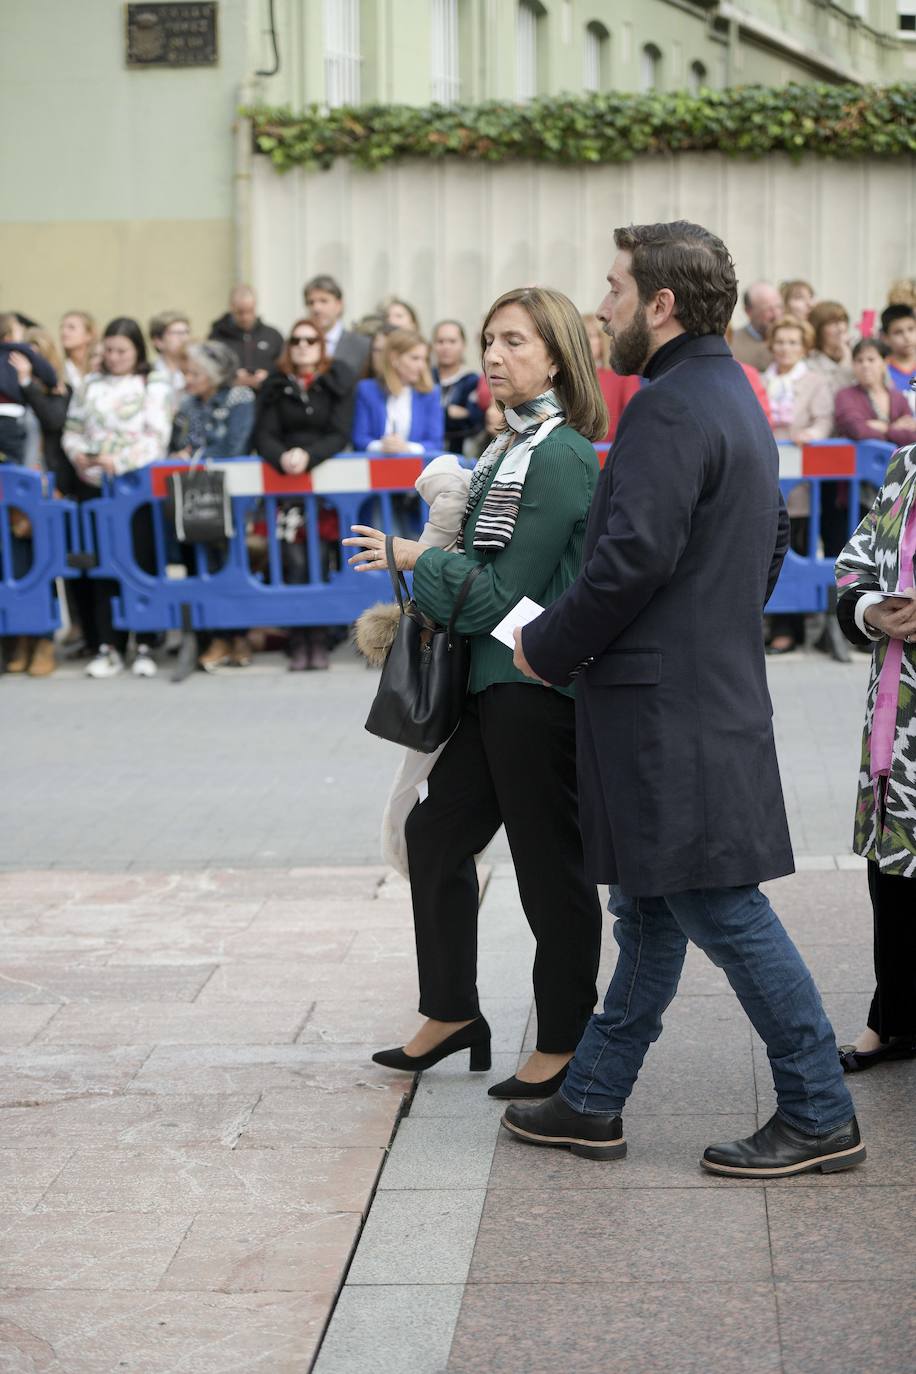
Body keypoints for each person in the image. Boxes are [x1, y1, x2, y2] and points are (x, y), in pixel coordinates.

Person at [503, 221, 862, 1178]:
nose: (604, 305)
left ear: (661, 304)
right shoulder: (727, 391)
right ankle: (592, 1099)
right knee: (654, 910)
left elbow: (630, 563)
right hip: (693, 697)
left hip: (670, 713)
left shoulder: (668, 406)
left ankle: (821, 1110)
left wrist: (544, 645)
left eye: (616, 288)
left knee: (718, 905)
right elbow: (766, 548)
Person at [343, 286, 606, 1098]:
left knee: (547, 872)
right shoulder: (503, 448)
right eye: (490, 340)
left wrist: (415, 555)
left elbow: (501, 598)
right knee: (435, 837)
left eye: (515, 342)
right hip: (492, 688)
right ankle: (453, 1012)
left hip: (533, 688)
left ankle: (563, 1042)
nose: (494, 356)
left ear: (557, 356)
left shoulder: (558, 455)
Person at [834, 437, 916, 1071]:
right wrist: (872, 609)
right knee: (892, 867)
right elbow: (852, 568)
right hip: (896, 710)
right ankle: (892, 1018)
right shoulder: (904, 465)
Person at [61, 317, 174, 679]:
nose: (114, 357)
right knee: (100, 565)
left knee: (140, 562)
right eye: (108, 350)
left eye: (122, 350)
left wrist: (120, 461)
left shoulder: (151, 383)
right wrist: (81, 457)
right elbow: (73, 429)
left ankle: (145, 642)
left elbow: (157, 436)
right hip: (94, 485)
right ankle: (106, 644)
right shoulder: (90, 383)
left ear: (137, 350)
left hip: (136, 488)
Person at [254, 319, 354, 671]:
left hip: (326, 492)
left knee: (322, 560)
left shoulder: (335, 380)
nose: (302, 345)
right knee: (293, 562)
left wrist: (309, 457)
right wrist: (281, 456)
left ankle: (320, 640)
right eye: (295, 339)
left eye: (310, 340)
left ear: (321, 345)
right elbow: (263, 434)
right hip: (286, 491)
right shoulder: (275, 384)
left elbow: (340, 432)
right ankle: (299, 640)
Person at [169, 340, 256, 673]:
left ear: (213, 374)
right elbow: (181, 443)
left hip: (232, 495)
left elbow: (234, 445)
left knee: (230, 562)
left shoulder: (239, 397)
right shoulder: (189, 404)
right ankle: (214, 637)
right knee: (200, 562)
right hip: (195, 498)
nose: (187, 379)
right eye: (186, 372)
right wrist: (183, 453)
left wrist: (194, 455)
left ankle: (238, 636)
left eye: (194, 373)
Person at [762, 313, 833, 654]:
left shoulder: (815, 380)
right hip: (767, 474)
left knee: (800, 546)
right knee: (771, 551)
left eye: (792, 341)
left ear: (803, 345)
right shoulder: (762, 379)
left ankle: (801, 628)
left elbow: (823, 419)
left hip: (802, 481)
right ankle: (779, 627)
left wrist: (813, 435)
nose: (785, 348)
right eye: (780, 341)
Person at [352, 330, 443, 455]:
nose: (421, 366)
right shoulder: (367, 389)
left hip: (417, 469)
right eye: (415, 358)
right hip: (377, 468)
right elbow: (360, 439)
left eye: (424, 359)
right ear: (394, 358)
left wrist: (406, 448)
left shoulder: (431, 394)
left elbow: (436, 443)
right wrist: (382, 446)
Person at [834, 338, 916, 448]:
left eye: (871, 359)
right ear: (853, 365)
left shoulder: (899, 398)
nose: (865, 365)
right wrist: (893, 429)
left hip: (896, 463)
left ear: (884, 363)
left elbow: (910, 437)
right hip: (860, 461)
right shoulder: (845, 395)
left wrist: (884, 428)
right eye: (859, 360)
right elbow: (856, 429)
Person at [0, 313, 57, 464]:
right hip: (12, 418)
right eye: (19, 330)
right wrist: (52, 382)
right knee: (12, 463)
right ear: (8, 336)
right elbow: (49, 375)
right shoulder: (20, 350)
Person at [581, 310, 641, 442]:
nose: (585, 342)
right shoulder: (570, 374)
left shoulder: (624, 374)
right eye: (581, 336)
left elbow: (634, 418)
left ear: (603, 339)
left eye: (591, 336)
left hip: (609, 450)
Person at [209, 286, 283, 392]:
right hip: (229, 399)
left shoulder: (272, 336)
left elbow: (284, 368)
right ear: (231, 307)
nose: (245, 317)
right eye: (240, 312)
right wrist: (232, 376)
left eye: (250, 311)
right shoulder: (217, 337)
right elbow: (209, 370)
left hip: (267, 400)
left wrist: (268, 376)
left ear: (255, 306)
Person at [303, 274, 371, 376]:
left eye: (323, 301)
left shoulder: (362, 345)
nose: (316, 308)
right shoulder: (297, 344)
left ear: (339, 305)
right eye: (311, 302)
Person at [432, 319, 483, 453]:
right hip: (427, 454)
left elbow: (474, 422)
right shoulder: (425, 378)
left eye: (452, 341)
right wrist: (448, 412)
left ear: (463, 345)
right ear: (433, 346)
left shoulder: (473, 380)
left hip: (461, 455)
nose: (446, 347)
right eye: (440, 341)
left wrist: (435, 414)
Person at [730, 280, 783, 372]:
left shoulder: (794, 339)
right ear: (748, 311)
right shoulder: (732, 343)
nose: (776, 314)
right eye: (768, 309)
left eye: (779, 307)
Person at [807, 300, 855, 394]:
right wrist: (846, 358)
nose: (841, 328)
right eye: (833, 323)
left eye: (842, 321)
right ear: (818, 330)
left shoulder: (857, 355)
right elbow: (835, 393)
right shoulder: (810, 364)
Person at [881, 304, 916, 408]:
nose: (907, 337)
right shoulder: (881, 371)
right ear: (885, 338)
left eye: (911, 329)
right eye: (898, 332)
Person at [149, 310, 191, 396]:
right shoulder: (149, 371)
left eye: (187, 332)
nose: (185, 338)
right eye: (178, 333)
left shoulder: (196, 371)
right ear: (158, 341)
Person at [59, 311, 98, 390]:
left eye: (71, 327)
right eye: (62, 327)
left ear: (88, 335)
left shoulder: (98, 366)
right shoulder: (59, 368)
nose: (64, 332)